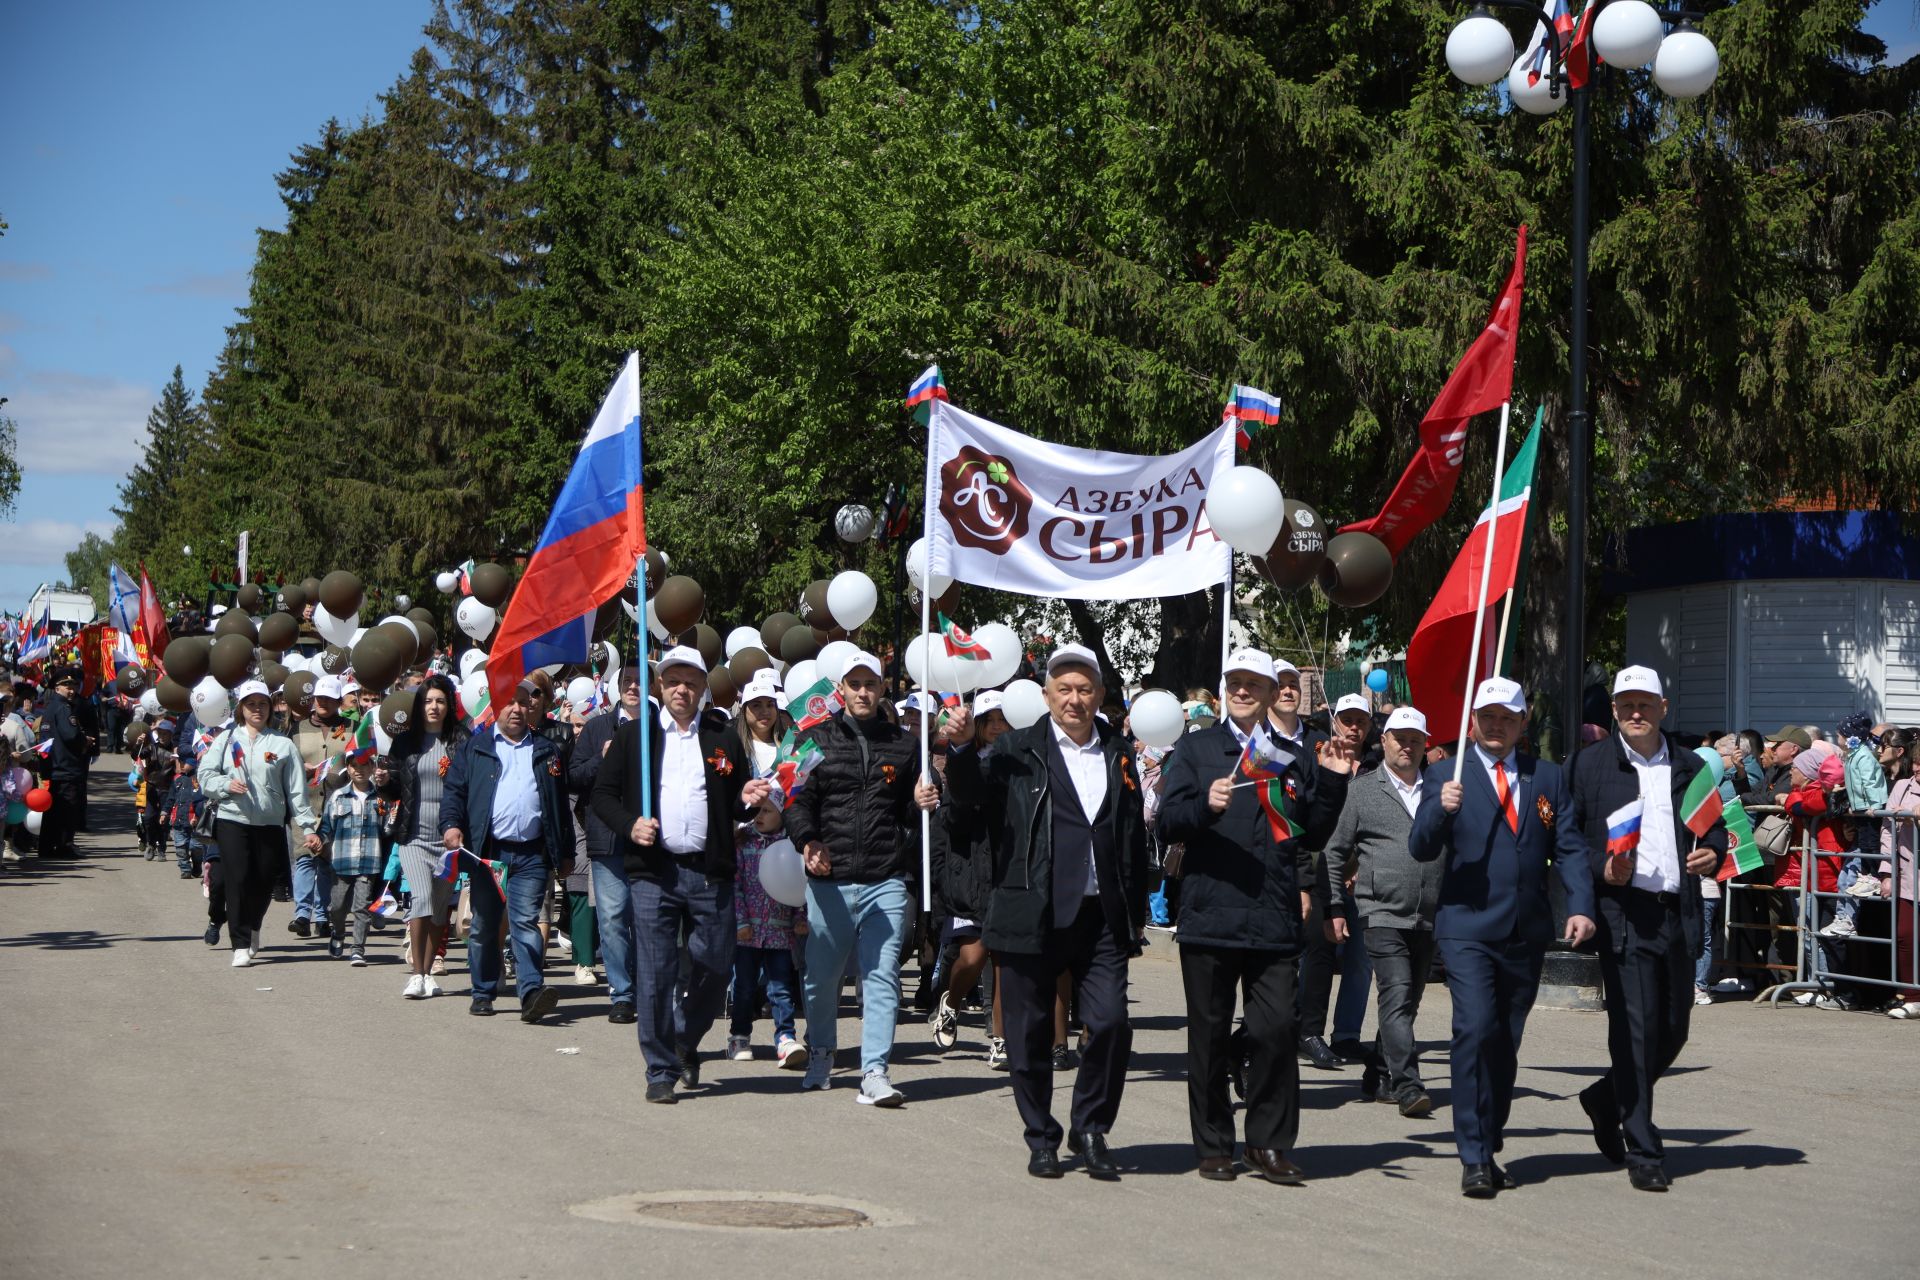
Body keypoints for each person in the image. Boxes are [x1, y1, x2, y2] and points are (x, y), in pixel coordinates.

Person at [944, 644, 1147, 1180]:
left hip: (1101, 914)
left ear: (1099, 696)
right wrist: (962, 749)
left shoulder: (1119, 751)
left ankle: (1092, 1128)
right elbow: (968, 801)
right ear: (1046, 696)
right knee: (1030, 1031)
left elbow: (1129, 833)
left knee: (1109, 1024)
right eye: (1064, 690)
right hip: (1029, 911)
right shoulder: (1014, 750)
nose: (1074, 699)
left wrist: (1136, 907)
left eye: (1085, 690)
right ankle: (1041, 1136)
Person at [1158, 647, 1342, 1184]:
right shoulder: (1196, 750)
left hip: (1273, 917)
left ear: (1268, 693)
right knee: (1210, 1038)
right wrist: (1202, 807)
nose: (1243, 691)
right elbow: (1167, 822)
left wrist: (1330, 782)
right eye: (1234, 682)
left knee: (1276, 1033)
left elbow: (1313, 833)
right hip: (1210, 914)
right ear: (1223, 690)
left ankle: (1268, 1144)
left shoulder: (1292, 752)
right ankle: (1215, 1143)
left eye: (1253, 684)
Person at [1409, 677, 1596, 1199]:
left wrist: (1580, 904)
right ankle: (1471, 1155)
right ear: (1473, 720)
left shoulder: (1548, 777)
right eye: (1487, 717)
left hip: (1526, 929)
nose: (1496, 726)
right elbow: (1421, 847)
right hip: (1467, 926)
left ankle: (1489, 1140)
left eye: (1507, 718)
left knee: (1504, 1042)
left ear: (1523, 721)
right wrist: (1437, 809)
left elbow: (1571, 847)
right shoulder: (1448, 774)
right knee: (1473, 1029)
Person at [591, 647, 777, 1103]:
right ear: (660, 685)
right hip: (654, 873)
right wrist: (629, 824)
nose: (681, 689)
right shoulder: (635, 737)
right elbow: (602, 795)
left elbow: (734, 801)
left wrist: (748, 798)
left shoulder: (721, 738)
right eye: (673, 680)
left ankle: (682, 1040)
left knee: (715, 971)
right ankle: (659, 1070)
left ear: (702, 688)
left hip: (709, 872)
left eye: (690, 682)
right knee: (656, 971)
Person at [1568, 667, 1728, 1192]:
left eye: (1645, 704)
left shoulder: (1688, 765)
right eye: (1625, 706)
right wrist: (1601, 869)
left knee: (1673, 1030)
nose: (1635, 714)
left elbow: (1718, 826)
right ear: (1613, 710)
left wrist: (1715, 851)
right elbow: (1568, 843)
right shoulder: (1589, 765)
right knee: (1635, 1034)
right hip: (1623, 915)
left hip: (1676, 912)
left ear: (1664, 706)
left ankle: (1604, 1099)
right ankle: (1644, 1148)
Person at [780, 651, 938, 1106]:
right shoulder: (814, 740)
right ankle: (823, 1053)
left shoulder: (906, 745)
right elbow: (796, 803)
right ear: (841, 690)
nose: (863, 691)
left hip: (885, 879)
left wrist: (923, 798)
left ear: (882, 688)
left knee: (883, 975)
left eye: (871, 683)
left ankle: (874, 1072)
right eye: (855, 684)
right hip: (829, 882)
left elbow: (909, 812)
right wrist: (808, 843)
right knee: (820, 979)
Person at [1324, 706, 1442, 1117]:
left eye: (1415, 739)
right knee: (1395, 991)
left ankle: (1377, 1072)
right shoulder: (1362, 790)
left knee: (1409, 1000)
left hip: (1429, 913)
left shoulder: (1441, 789)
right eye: (1399, 738)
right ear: (1385, 741)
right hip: (1379, 911)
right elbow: (1335, 852)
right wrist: (1335, 905)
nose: (1407, 746)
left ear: (1425, 744)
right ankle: (1407, 1085)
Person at [441, 679, 577, 1023]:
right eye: (509, 703)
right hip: (488, 853)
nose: (517, 709)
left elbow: (559, 804)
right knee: (486, 924)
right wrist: (451, 826)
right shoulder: (477, 748)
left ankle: (531, 992)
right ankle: (483, 990)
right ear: (496, 706)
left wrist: (565, 850)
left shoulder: (547, 750)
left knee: (525, 923)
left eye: (523, 702)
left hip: (533, 854)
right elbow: (455, 791)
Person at [195, 681, 323, 968]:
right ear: (241, 708)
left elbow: (296, 792)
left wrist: (308, 828)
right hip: (232, 820)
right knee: (238, 880)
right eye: (251, 704)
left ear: (270, 708)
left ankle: (254, 926)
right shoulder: (227, 740)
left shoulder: (282, 744)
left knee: (263, 882)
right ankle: (239, 944)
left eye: (262, 704)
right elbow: (205, 776)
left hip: (269, 824)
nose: (257, 709)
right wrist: (226, 784)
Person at [728, 670, 809, 1068]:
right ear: (744, 710)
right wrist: (738, 829)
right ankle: (739, 1033)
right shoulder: (734, 747)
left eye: (769, 705)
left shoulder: (790, 747)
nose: (763, 712)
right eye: (755, 705)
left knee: (780, 984)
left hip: (781, 853)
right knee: (744, 982)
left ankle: (784, 1038)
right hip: (743, 849)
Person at [929, 689, 1008, 1059]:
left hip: (1009, 873)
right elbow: (950, 821)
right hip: (970, 874)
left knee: (1004, 959)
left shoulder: (1022, 762)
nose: (996, 727)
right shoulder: (963, 763)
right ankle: (951, 1004)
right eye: (988, 720)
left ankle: (1001, 1038)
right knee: (973, 958)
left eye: (1002, 720)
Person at [1299, 691, 1375, 1070]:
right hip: (1321, 869)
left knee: (1361, 959)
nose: (1354, 727)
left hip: (1364, 874)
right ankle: (1308, 1030)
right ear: (1335, 722)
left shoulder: (1378, 764)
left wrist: (1363, 864)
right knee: (1319, 952)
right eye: (1347, 719)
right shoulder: (1318, 758)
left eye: (1361, 720)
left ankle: (1346, 1035)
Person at [376, 675, 462, 998]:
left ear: (448, 705)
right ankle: (417, 974)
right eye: (427, 701)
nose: (434, 707)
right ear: (419, 706)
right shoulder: (406, 743)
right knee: (422, 898)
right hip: (413, 836)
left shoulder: (460, 740)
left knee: (440, 908)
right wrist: (383, 781)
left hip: (449, 841)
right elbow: (394, 788)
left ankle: (429, 974)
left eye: (440, 701)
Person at [568, 666, 644, 1023]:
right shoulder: (598, 726)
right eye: (627, 680)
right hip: (607, 838)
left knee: (647, 918)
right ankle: (623, 993)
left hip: (649, 837)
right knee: (612, 918)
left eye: (640, 678)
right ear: (616, 687)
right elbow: (575, 775)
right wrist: (603, 758)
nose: (633, 686)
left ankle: (649, 987)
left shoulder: (660, 725)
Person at [287, 674, 351, 938]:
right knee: (304, 859)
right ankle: (302, 915)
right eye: (319, 697)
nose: (323, 702)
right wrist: (299, 767)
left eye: (329, 698)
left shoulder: (349, 727)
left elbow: (359, 759)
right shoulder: (297, 729)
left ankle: (322, 916)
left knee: (326, 862)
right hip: (304, 803)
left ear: (338, 701)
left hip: (337, 805)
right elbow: (283, 760)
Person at [317, 751, 386, 965]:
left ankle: (358, 949)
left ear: (373, 767)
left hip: (369, 861)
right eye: (354, 765)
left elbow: (387, 830)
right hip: (342, 861)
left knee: (361, 907)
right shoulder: (338, 797)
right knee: (337, 907)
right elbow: (326, 827)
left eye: (365, 765)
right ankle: (338, 933)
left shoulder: (381, 797)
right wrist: (319, 842)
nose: (360, 770)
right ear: (348, 768)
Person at [1880, 736, 1920, 1019]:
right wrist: (1886, 872)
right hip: (1908, 873)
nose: (1917, 769)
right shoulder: (1902, 787)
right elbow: (1886, 830)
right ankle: (1912, 996)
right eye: (1916, 762)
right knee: (1905, 936)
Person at [39, 666, 93, 858]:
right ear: (57, 688)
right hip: (66, 766)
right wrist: (84, 740)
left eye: (73, 686)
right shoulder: (62, 707)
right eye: (66, 686)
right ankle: (63, 846)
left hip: (54, 766)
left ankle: (46, 847)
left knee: (53, 810)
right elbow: (70, 735)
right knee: (67, 810)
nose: (71, 690)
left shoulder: (51, 707)